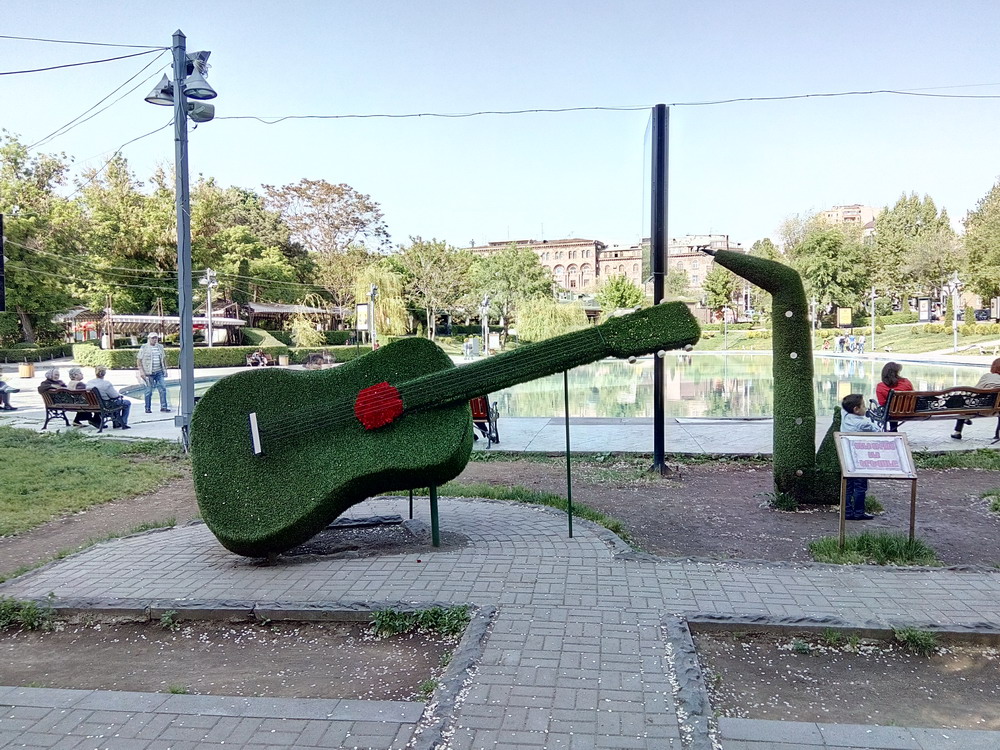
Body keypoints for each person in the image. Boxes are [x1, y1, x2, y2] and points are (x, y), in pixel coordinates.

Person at [841, 393, 877, 520]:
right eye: (863, 406)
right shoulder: (863, 424)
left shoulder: (845, 416)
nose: (866, 408)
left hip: (847, 457)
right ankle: (859, 511)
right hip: (860, 458)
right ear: (856, 409)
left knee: (848, 486)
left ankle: (847, 512)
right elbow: (877, 430)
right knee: (860, 486)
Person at [951, 357, 1000, 440]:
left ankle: (958, 432)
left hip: (981, 408)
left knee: (963, 403)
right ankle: (998, 434)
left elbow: (975, 391)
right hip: (996, 409)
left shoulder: (987, 376)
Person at [875, 362, 914, 433]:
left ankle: (892, 430)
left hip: (891, 414)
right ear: (897, 372)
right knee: (893, 409)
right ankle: (893, 430)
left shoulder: (880, 386)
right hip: (907, 412)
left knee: (889, 409)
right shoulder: (906, 382)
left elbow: (882, 403)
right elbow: (912, 396)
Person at [137, 332, 170, 414]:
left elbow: (163, 359)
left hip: (159, 371)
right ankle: (147, 408)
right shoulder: (144, 347)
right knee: (149, 390)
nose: (154, 339)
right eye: (153, 338)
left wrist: (165, 370)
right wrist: (141, 371)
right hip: (148, 372)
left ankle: (164, 407)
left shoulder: (160, 347)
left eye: (156, 338)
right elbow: (139, 360)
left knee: (163, 388)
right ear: (149, 339)